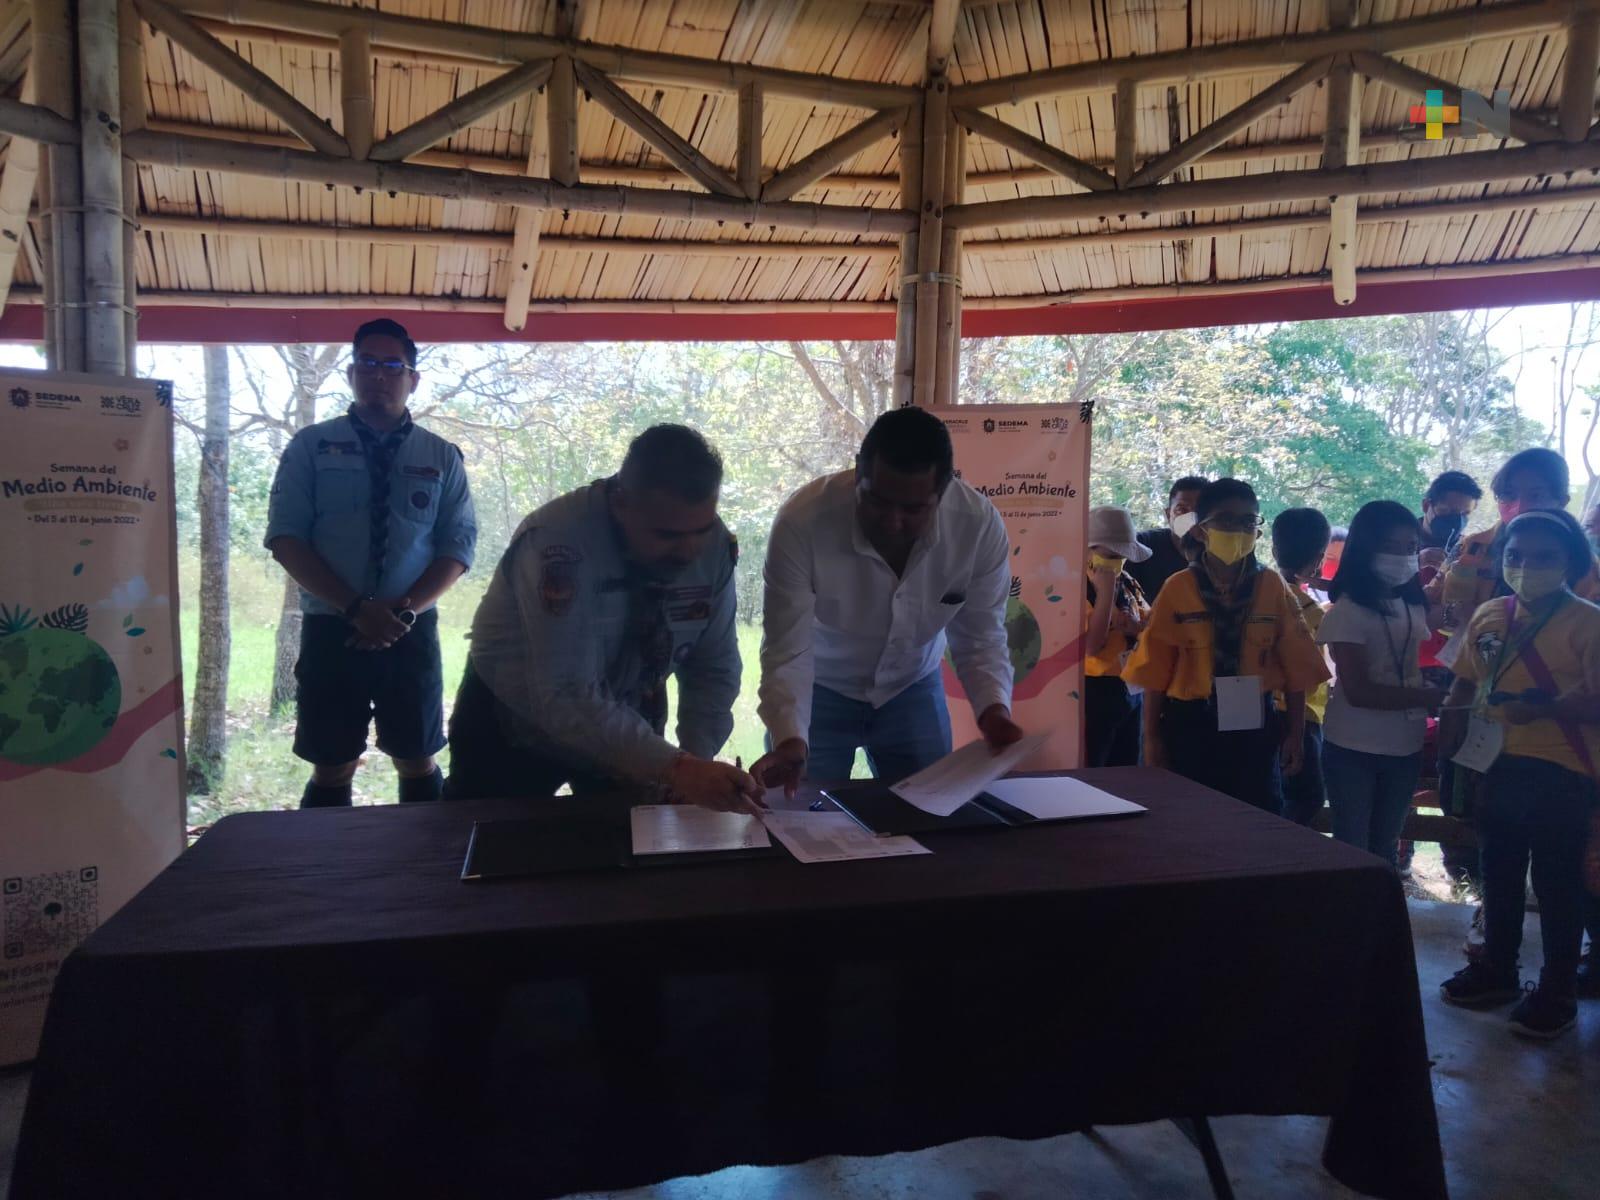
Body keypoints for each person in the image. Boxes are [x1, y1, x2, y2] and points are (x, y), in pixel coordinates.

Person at [445, 425, 761, 812]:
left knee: (634, 839)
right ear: (621, 502)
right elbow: (565, 693)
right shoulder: (558, 543)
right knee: (486, 838)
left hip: (626, 710)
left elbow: (714, 667)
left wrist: (695, 759)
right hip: (511, 723)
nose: (689, 551)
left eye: (701, 530)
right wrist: (677, 767)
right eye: (666, 535)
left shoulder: (714, 546)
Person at [752, 407, 1022, 794]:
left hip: (913, 686)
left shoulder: (978, 528)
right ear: (858, 472)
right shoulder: (802, 523)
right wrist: (789, 736)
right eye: (876, 501)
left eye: (913, 509)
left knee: (928, 815)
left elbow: (981, 638)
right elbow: (787, 648)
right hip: (819, 688)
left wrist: (994, 711)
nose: (892, 522)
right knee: (798, 815)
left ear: (944, 491)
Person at [264, 318, 477, 809]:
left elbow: (457, 547)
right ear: (351, 373)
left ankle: (425, 858)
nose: (379, 374)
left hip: (410, 630)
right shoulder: (310, 447)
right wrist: (356, 608)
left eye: (392, 365)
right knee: (332, 763)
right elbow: (286, 538)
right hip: (332, 627)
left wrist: (401, 613)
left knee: (417, 757)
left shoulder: (441, 456)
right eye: (368, 362)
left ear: (412, 379)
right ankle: (328, 858)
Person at [1439, 509, 1600, 1039]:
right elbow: (1466, 681)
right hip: (1495, 763)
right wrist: (1451, 743)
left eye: (1543, 557)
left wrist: (1548, 708)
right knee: (1499, 875)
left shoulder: (1589, 623)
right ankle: (1498, 970)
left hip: (1563, 771)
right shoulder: (1490, 614)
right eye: (1515, 556)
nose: (1526, 566)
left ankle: (1557, 992)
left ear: (1572, 561)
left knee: (1557, 886)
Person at [1125, 478, 1329, 812]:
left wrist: (1295, 733)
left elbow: (1296, 667)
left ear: (1258, 531)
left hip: (1255, 724)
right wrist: (1152, 738)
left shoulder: (1272, 587)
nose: (1238, 530)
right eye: (1226, 520)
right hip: (1189, 724)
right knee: (1189, 817)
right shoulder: (1178, 588)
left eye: (1248, 521)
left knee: (1255, 817)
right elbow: (1154, 671)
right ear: (1201, 530)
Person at [1316, 502, 1441, 867]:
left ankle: (1379, 904)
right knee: (1352, 845)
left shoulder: (1411, 604)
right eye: (1390, 546)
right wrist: (1427, 696)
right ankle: (1352, 905)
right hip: (1353, 746)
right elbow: (1359, 691)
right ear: (1365, 549)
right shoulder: (1347, 610)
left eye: (1410, 547)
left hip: (1405, 744)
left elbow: (1405, 665)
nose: (1403, 557)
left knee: (1386, 844)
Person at [1270, 508, 1333, 825]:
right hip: (1302, 717)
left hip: (1263, 710)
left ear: (1273, 549)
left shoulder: (1260, 597)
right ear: (1319, 558)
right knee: (1306, 798)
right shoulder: (1311, 611)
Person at [1083, 506, 1152, 767]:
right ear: (1086, 550)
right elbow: (1091, 647)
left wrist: (1136, 628)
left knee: (1126, 766)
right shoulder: (1077, 589)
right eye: (1110, 555)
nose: (1117, 563)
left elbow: (1150, 625)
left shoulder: (1128, 582)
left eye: (1122, 557)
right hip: (1097, 691)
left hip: (1131, 686)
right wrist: (1104, 597)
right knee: (1096, 766)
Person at [1127, 476, 1207, 601]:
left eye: (1200, 511)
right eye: (1182, 510)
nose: (1191, 518)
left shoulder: (1221, 556)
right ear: (1168, 514)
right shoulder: (1141, 545)